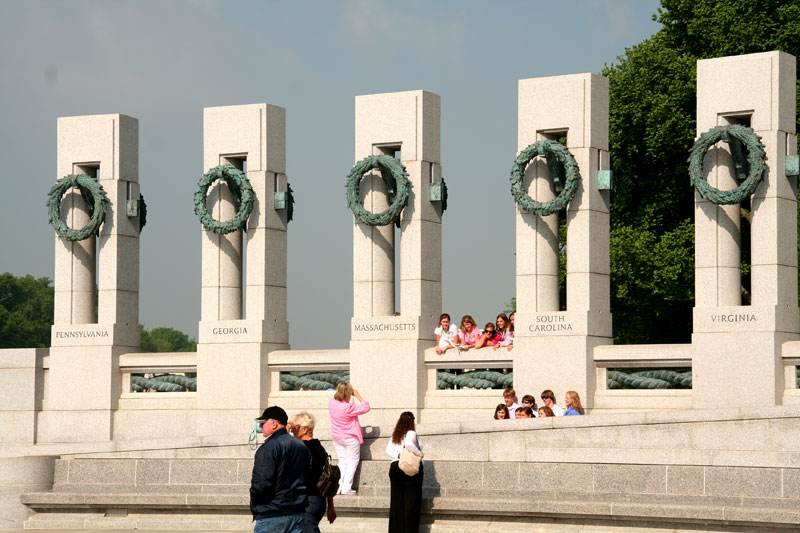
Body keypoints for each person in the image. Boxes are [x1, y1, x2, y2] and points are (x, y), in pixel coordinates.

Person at [250, 406, 311, 533]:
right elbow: (307, 477)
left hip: (272, 514)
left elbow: (261, 483)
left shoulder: (269, 447)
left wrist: (256, 506)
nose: (260, 427)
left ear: (273, 424)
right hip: (297, 514)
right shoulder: (301, 445)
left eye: (263, 423)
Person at [287, 412, 335, 533]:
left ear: (305, 429)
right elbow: (327, 478)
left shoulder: (303, 447)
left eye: (295, 428)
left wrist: (285, 435)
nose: (293, 431)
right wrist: (331, 506)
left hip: (307, 501)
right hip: (318, 500)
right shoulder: (319, 446)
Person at [328, 383, 370, 494]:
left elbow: (338, 397)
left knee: (342, 461)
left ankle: (338, 487)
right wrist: (357, 395)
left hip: (337, 436)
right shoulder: (348, 407)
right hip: (350, 437)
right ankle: (347, 488)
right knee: (352, 461)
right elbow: (366, 407)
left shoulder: (332, 402)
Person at [385, 411, 424, 533]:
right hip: (409, 468)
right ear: (412, 421)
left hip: (395, 467)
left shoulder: (395, 435)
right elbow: (409, 445)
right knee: (411, 503)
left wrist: (398, 455)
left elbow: (387, 451)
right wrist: (419, 454)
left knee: (396, 503)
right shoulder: (411, 433)